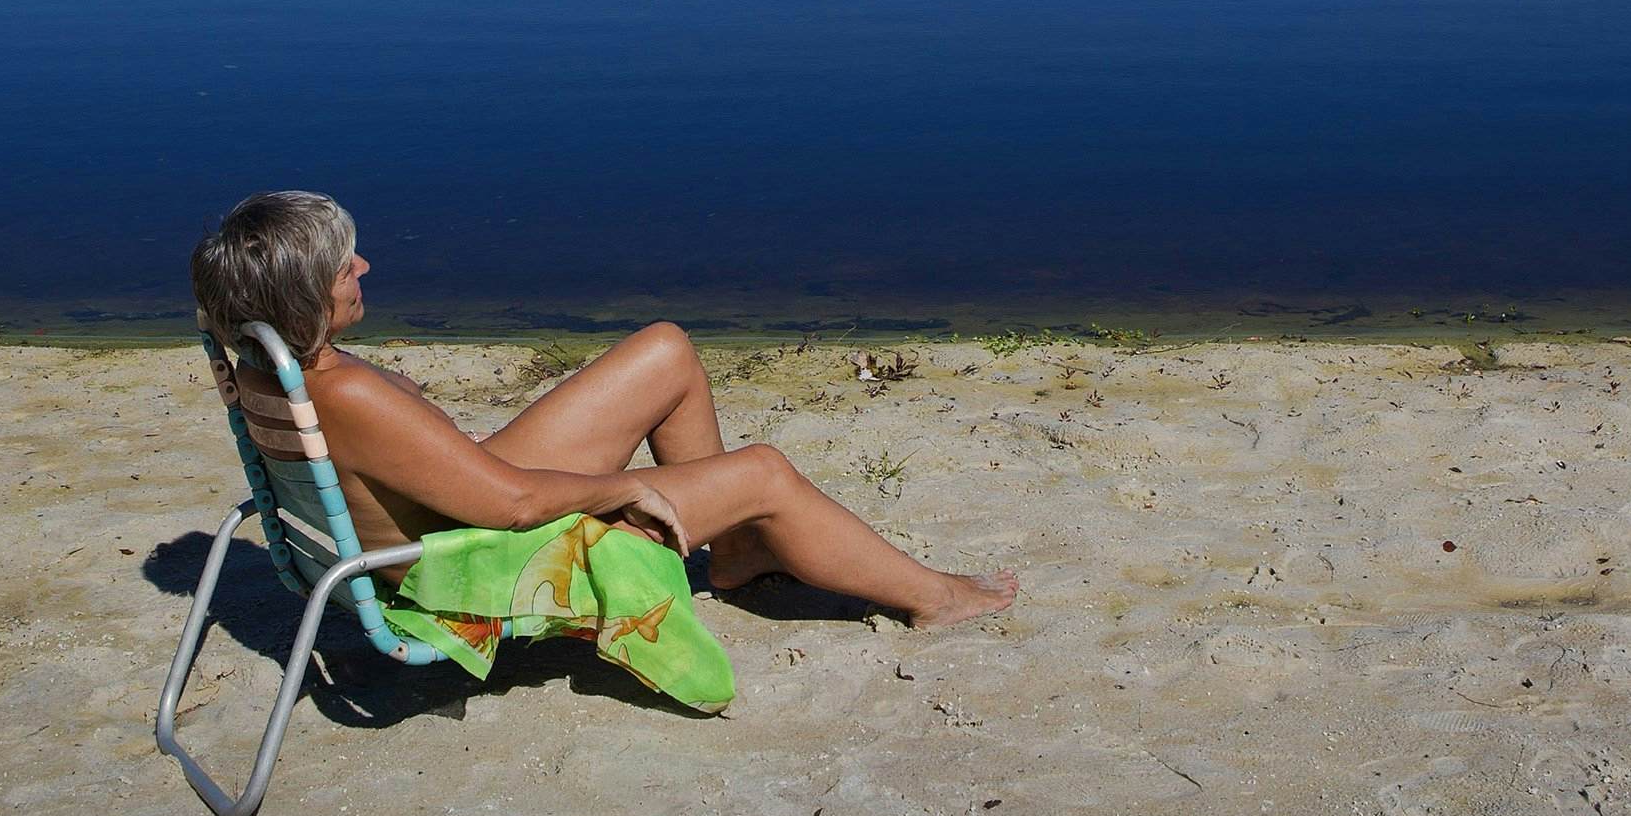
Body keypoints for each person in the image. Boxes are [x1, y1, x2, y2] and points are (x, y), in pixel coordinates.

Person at [190, 191, 1018, 628]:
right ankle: (934, 598)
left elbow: (456, 468)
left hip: (453, 507)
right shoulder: (345, 392)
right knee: (763, 468)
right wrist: (617, 491)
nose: (364, 264)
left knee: (666, 348)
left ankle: (731, 553)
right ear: (303, 298)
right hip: (475, 558)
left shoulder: (273, 362)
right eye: (343, 268)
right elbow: (510, 503)